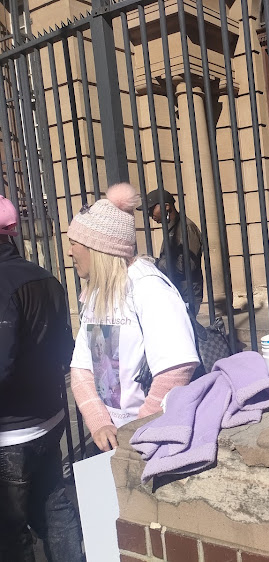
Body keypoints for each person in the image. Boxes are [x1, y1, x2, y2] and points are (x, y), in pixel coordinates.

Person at [68, 183, 200, 452]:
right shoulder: (96, 292)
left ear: (98, 247)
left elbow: (177, 369)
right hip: (110, 439)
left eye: (74, 243)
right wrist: (98, 422)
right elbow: (81, 369)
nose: (69, 252)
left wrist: (138, 433)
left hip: (149, 442)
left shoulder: (148, 287)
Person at [0, 195, 85, 561]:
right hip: (49, 419)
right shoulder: (45, 276)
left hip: (11, 433)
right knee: (54, 505)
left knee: (10, 529)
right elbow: (66, 349)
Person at [138, 189, 203, 316]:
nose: (150, 215)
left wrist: (156, 264)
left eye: (152, 209)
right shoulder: (171, 229)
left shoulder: (185, 227)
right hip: (177, 291)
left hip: (187, 294)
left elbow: (187, 265)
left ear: (166, 206)